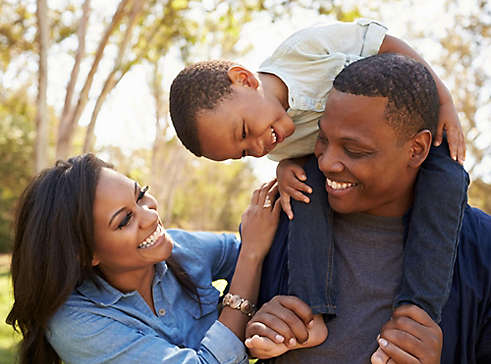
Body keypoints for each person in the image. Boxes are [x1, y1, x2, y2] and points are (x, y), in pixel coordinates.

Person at [169, 19, 468, 333]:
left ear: (243, 79)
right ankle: (310, 311)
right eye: (243, 152)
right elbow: (304, 155)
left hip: (410, 130)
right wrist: (285, 168)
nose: (257, 147)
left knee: (448, 179)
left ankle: (418, 313)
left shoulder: (302, 51)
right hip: (348, 169)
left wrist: (443, 100)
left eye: (244, 131)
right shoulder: (275, 145)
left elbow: (386, 44)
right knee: (302, 192)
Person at [245, 54, 491, 364]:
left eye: (354, 150)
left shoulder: (482, 250)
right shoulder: (282, 222)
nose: (327, 162)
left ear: (417, 149)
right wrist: (258, 333)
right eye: (322, 139)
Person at [6, 153, 289, 364]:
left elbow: (269, 253)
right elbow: (252, 254)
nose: (151, 215)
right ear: (87, 254)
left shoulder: (181, 248)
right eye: (125, 220)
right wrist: (250, 260)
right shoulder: (78, 324)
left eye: (140, 195)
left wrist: (289, 170)